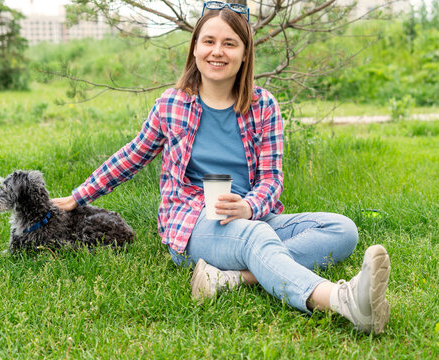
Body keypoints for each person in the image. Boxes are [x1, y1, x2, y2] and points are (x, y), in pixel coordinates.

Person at [52, 1, 391, 335]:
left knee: (342, 230)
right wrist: (78, 197)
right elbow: (132, 156)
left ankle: (231, 278)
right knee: (257, 237)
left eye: (230, 43)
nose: (218, 51)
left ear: (245, 53)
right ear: (195, 49)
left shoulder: (263, 105)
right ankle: (342, 301)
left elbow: (272, 180)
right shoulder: (171, 105)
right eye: (209, 41)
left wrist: (249, 206)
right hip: (192, 224)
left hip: (251, 216)